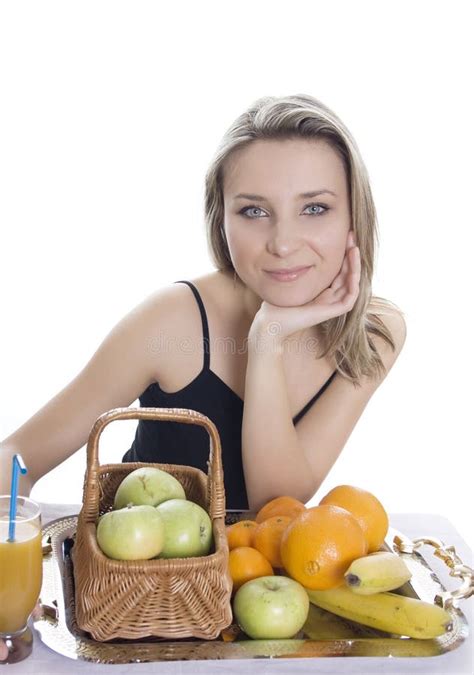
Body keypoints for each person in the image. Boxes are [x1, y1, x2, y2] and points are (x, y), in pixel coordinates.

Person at [0, 94, 406, 653]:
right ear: (222, 220)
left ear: (355, 217)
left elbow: (275, 502)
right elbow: (17, 455)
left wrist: (266, 341)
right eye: (254, 210)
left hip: (253, 622)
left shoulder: (375, 333)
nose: (283, 242)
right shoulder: (171, 322)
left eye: (314, 208)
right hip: (138, 612)